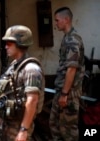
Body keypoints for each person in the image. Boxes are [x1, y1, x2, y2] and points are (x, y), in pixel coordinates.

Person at [0, 25, 45, 141]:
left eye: (9, 44)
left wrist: (23, 130)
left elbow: (32, 100)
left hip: (19, 124)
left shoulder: (31, 68)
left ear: (20, 44)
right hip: (8, 123)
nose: (6, 47)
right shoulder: (13, 66)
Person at [49, 7, 85, 141]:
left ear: (66, 19)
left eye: (57, 20)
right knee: (55, 124)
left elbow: (71, 69)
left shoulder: (73, 40)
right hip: (62, 90)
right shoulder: (67, 38)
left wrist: (64, 93)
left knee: (68, 130)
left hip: (69, 93)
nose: (56, 23)